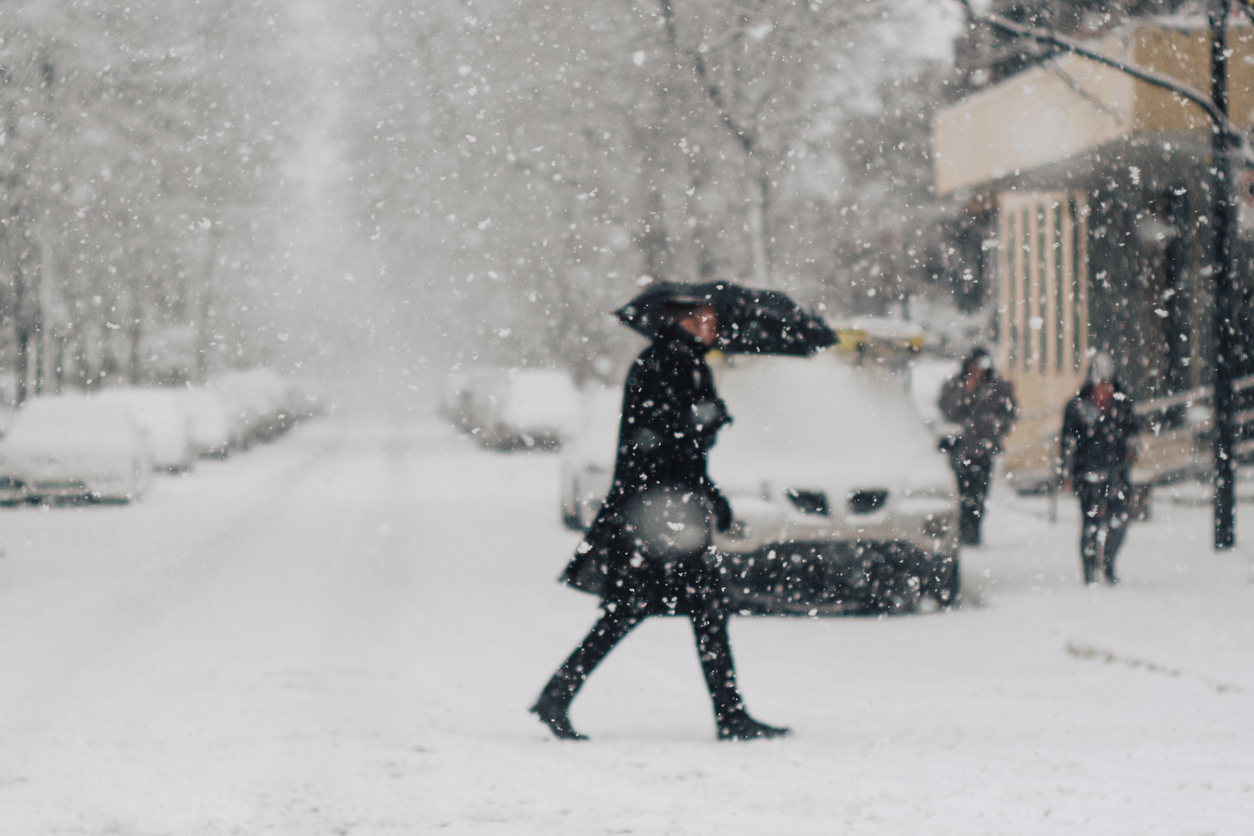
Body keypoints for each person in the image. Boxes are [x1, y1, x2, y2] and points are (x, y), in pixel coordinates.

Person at [531, 299, 789, 742]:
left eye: (712, 318)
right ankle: (729, 716)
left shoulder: (689, 364)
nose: (712, 326)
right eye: (704, 319)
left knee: (664, 610)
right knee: (675, 609)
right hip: (655, 510)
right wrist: (699, 423)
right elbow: (651, 440)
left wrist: (707, 440)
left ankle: (559, 695)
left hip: (671, 506)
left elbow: (683, 444)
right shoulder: (657, 364)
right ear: (680, 321)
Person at [1060, 353, 1138, 585]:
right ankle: (1090, 571)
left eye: (1108, 383)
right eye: (1100, 383)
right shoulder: (1077, 407)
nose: (1104, 389)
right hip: (1088, 473)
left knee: (1118, 521)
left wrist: (1130, 452)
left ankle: (1108, 563)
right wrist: (1068, 472)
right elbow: (1068, 442)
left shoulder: (1122, 405)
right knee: (1090, 524)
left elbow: (1133, 433)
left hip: (1116, 472)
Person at [938, 347, 1018, 546]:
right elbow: (949, 411)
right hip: (961, 448)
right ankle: (965, 531)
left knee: (980, 494)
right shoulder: (955, 384)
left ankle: (974, 530)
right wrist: (967, 390)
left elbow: (1009, 413)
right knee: (963, 493)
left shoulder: (998, 386)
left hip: (984, 449)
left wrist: (995, 429)